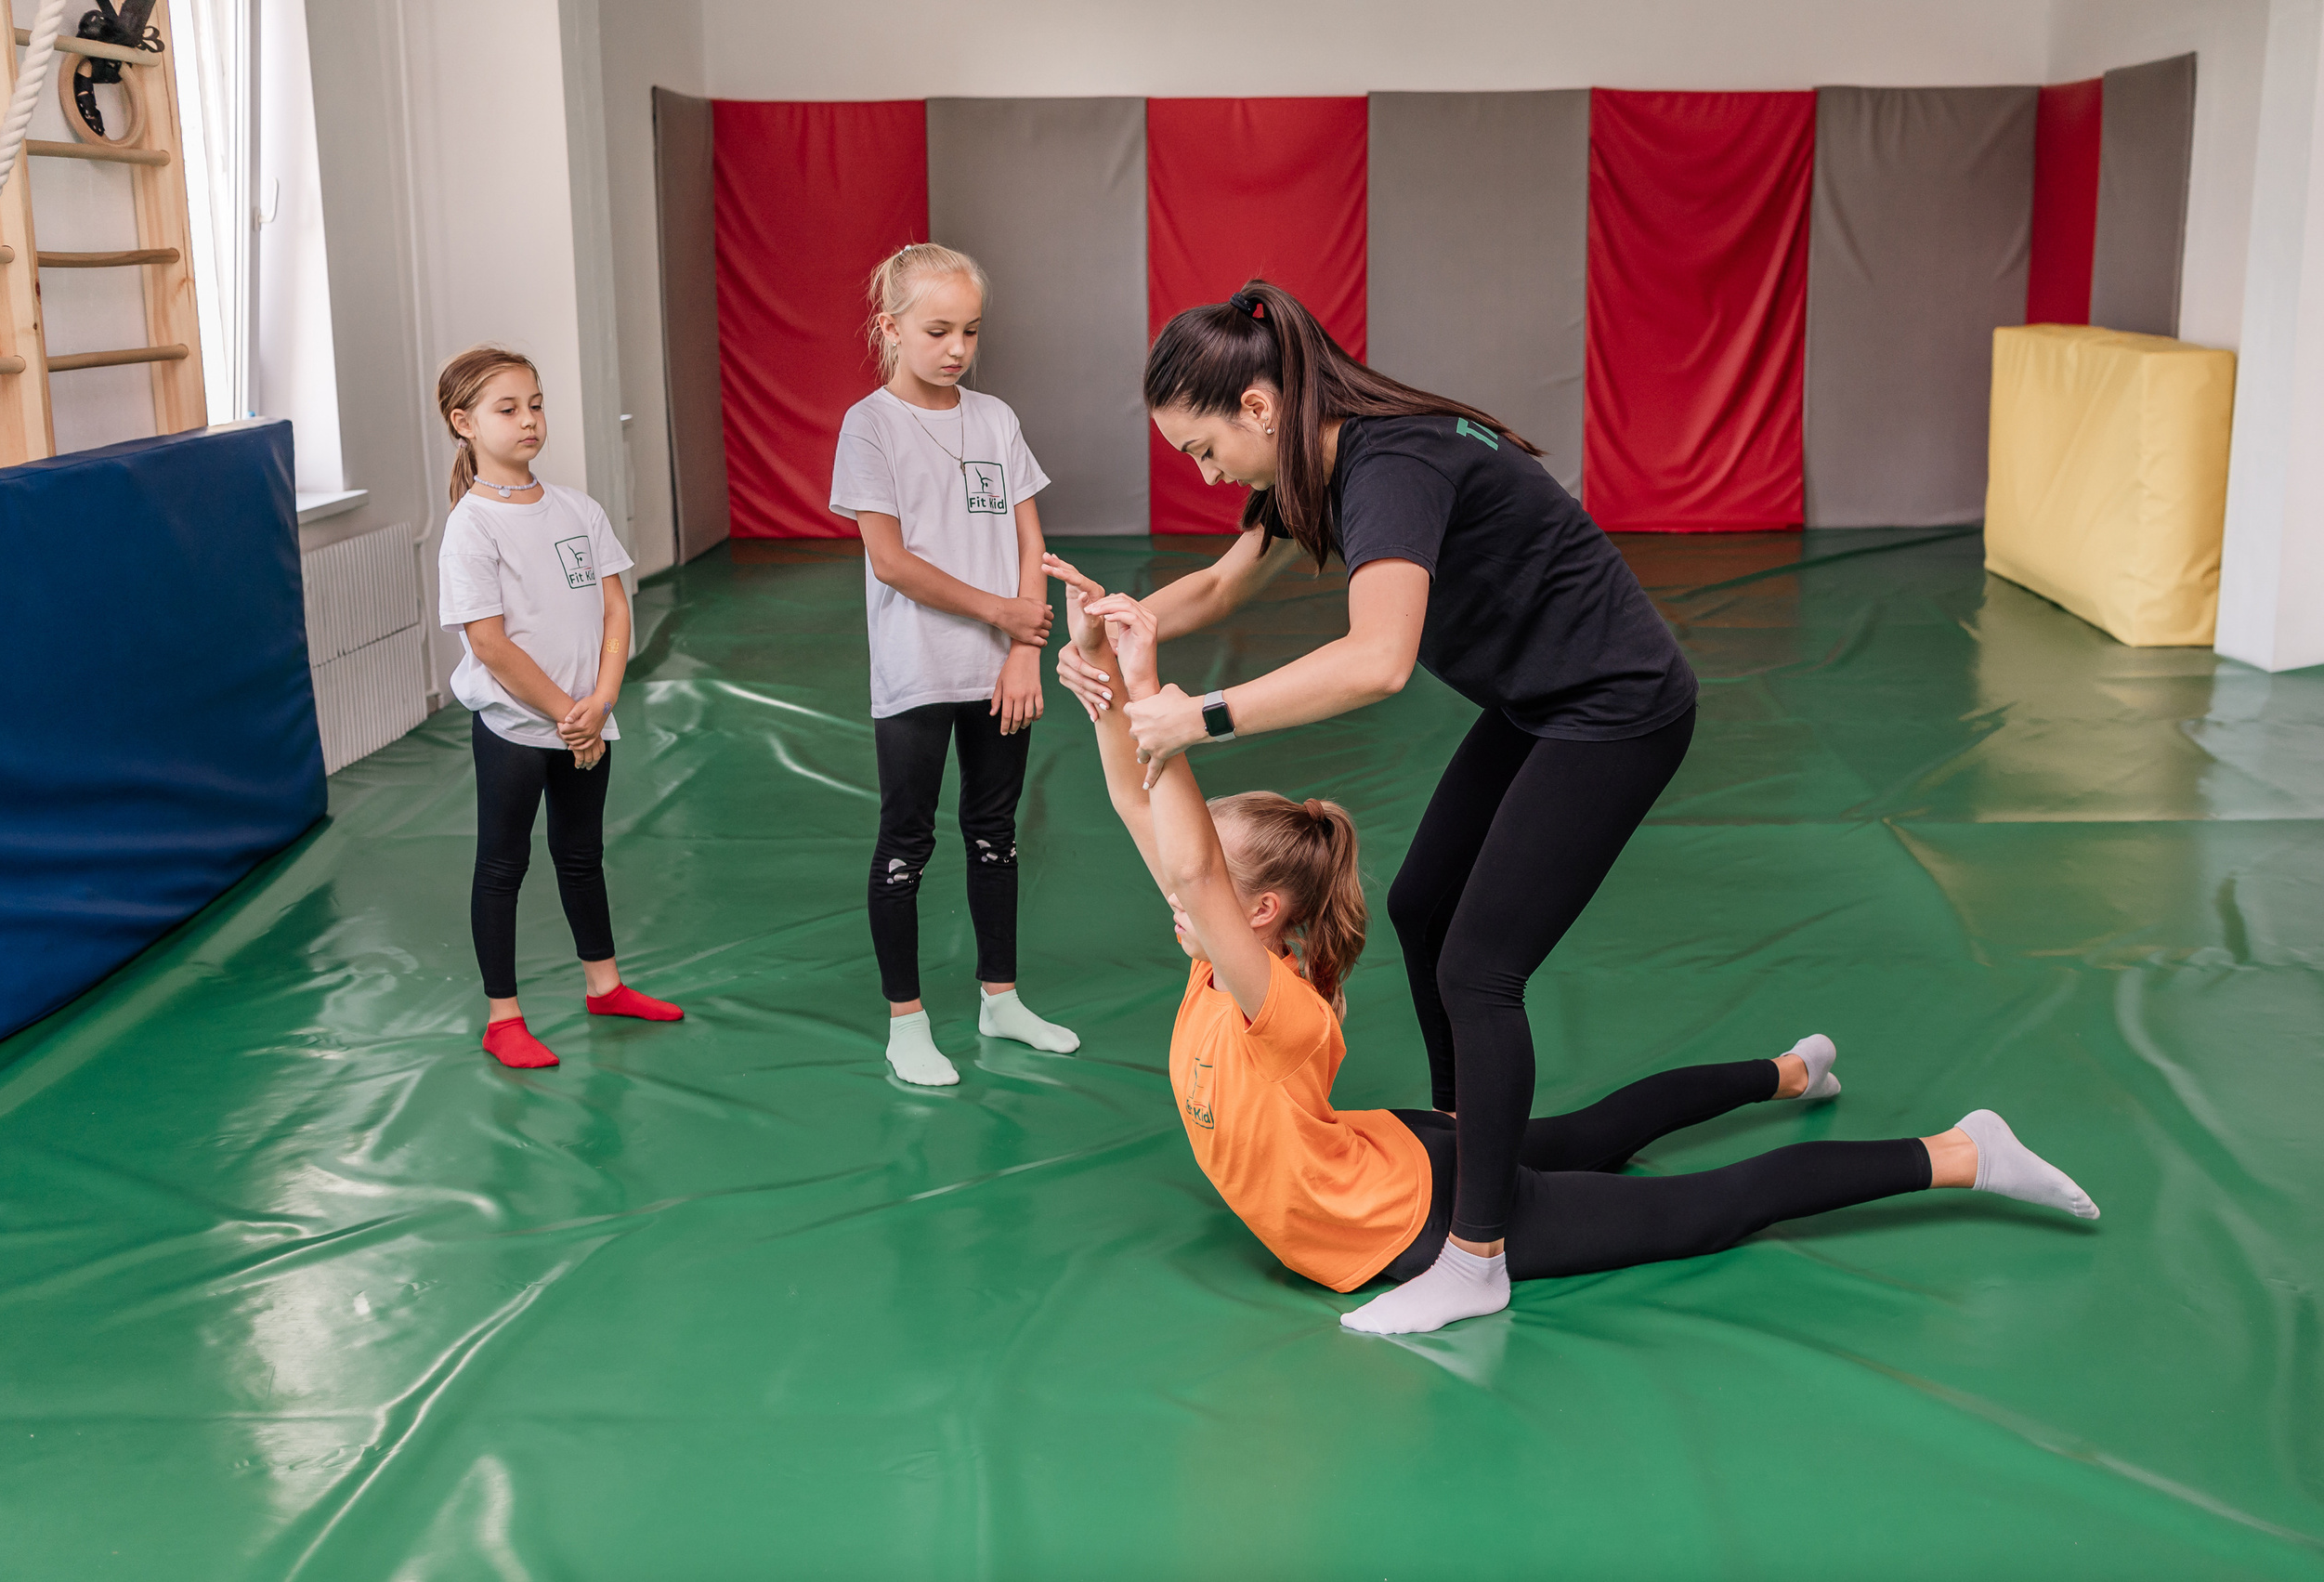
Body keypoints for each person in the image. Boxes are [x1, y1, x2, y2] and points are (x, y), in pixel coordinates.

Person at [1051, 561, 2099, 1330]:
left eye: (1207, 896)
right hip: (1401, 1148)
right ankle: (1789, 1071)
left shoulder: (1269, 1000)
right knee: (1594, 1127)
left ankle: (1963, 1151)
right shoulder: (1217, 944)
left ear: (1265, 912)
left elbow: (1189, 866)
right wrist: (1103, 668)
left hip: (1409, 1218)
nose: (1174, 895)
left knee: (1699, 1207)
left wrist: (1156, 698)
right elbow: (1141, 809)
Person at [1051, 279, 1701, 1332]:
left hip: (1615, 708)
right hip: (1538, 701)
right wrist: (1105, 633)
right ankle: (1466, 1131)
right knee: (1419, 904)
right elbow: (1218, 587)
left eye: (1203, 449)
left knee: (1478, 965)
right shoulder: (1312, 461)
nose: (1207, 472)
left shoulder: (1389, 466)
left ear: (1258, 408)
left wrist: (1194, 717)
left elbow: (1378, 659)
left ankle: (1476, 1249)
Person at [829, 242, 1078, 1087]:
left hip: (998, 673)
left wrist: (1020, 651)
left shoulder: (994, 419)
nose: (956, 349)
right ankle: (906, 1022)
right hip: (916, 673)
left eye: (970, 331)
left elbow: (1027, 538)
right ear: (889, 327)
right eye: (937, 330)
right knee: (906, 840)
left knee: (995, 835)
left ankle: (1000, 1000)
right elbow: (890, 560)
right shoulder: (870, 426)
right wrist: (999, 612)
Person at [434, 346, 683, 1070]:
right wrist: (565, 712)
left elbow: (613, 608)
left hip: (588, 720)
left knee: (581, 855)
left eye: (535, 403)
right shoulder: (471, 526)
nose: (529, 420)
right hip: (519, 729)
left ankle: (604, 984)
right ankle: (502, 1015)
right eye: (507, 409)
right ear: (465, 423)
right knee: (502, 864)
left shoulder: (577, 507)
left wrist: (600, 700)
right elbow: (489, 642)